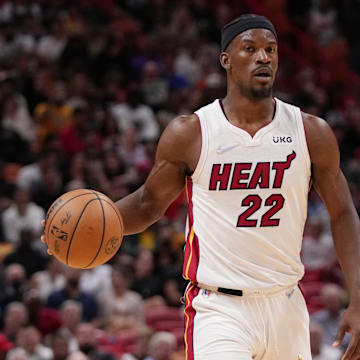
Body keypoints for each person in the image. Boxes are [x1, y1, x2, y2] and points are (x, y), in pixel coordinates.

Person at [43, 14, 360, 360]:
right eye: (250, 49)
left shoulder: (311, 132)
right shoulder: (192, 133)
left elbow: (344, 214)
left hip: (286, 302)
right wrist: (79, 228)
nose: (263, 57)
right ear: (226, 60)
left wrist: (358, 298)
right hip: (219, 309)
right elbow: (148, 204)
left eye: (271, 49)